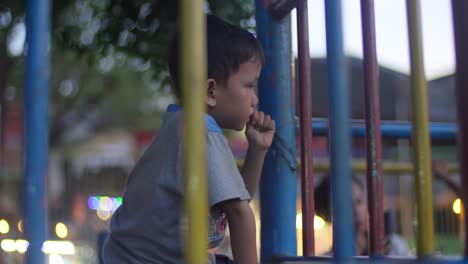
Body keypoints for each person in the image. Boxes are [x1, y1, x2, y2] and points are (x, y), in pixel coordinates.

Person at [103, 15, 274, 264]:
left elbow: (235, 201)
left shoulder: (177, 126)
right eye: (249, 86)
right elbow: (240, 214)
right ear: (210, 91)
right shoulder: (201, 132)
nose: (255, 99)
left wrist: (257, 149)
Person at [315, 173, 412, 256]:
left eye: (359, 201)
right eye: (346, 205)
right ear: (326, 214)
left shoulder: (394, 246)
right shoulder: (326, 260)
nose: (356, 210)